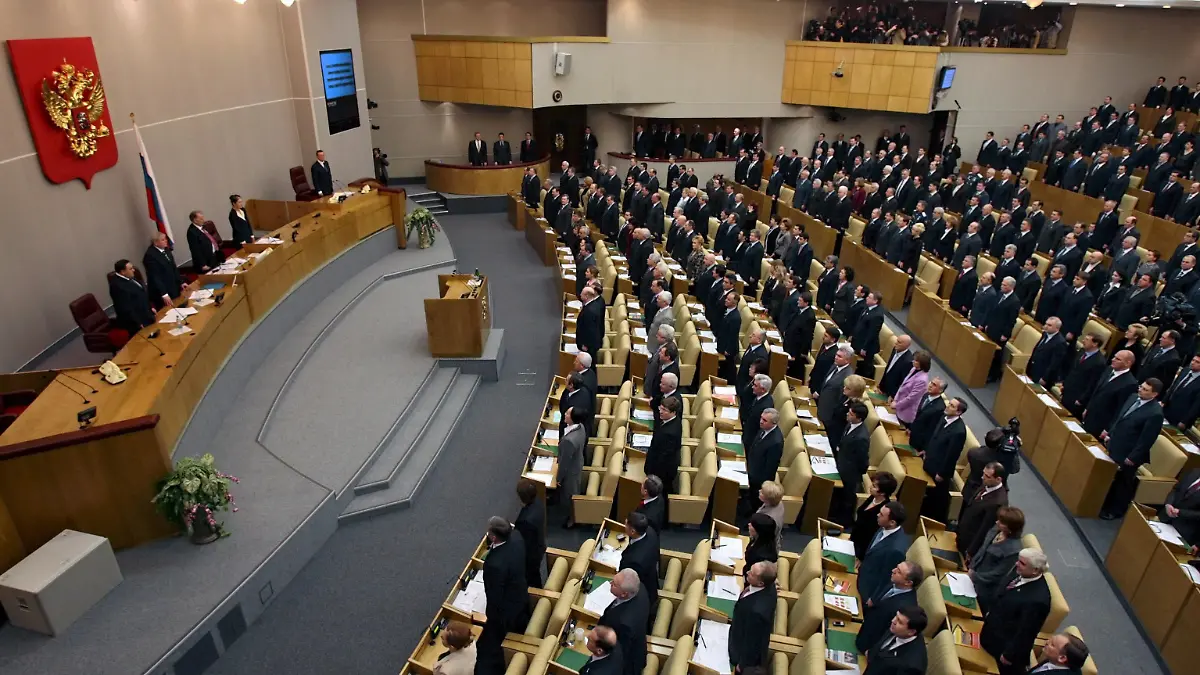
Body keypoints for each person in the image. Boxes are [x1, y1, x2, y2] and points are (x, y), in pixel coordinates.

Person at [1099, 378, 1165, 520]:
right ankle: (1103, 502)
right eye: (1141, 387)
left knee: (1123, 483)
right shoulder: (1133, 397)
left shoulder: (1155, 413)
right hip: (1116, 444)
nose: (1141, 390)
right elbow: (1120, 417)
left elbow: (1147, 439)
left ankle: (1116, 510)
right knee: (1111, 477)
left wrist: (1133, 457)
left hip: (1130, 453)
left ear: (1154, 395)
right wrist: (1109, 432)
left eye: (1146, 390)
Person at [980, 548, 1052, 675]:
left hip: (1002, 651)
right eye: (1019, 561)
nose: (1017, 564)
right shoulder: (1021, 571)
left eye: (1022, 563)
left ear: (1035, 570)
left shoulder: (1038, 600)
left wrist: (1009, 655)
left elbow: (1026, 633)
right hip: (990, 631)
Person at [475, 517, 529, 675]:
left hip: (506, 610)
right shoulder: (517, 537)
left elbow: (495, 596)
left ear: (493, 537)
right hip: (520, 591)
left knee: (498, 635)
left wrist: (490, 615)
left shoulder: (494, 565)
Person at [856, 561, 925, 654]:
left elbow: (888, 633)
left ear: (908, 582)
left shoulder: (904, 608)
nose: (893, 570)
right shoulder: (894, 581)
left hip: (868, 644)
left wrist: (872, 652)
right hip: (865, 625)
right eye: (896, 567)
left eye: (899, 571)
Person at [967, 506, 1025, 611]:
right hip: (973, 572)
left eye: (1002, 522)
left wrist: (975, 577)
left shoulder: (1013, 550)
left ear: (1011, 528)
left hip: (985, 589)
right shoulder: (996, 529)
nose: (997, 522)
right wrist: (972, 567)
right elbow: (982, 549)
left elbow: (998, 574)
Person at [920, 397, 969, 521]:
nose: (948, 406)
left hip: (939, 471)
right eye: (949, 404)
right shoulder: (944, 417)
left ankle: (930, 520)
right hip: (929, 461)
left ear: (958, 412)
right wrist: (926, 450)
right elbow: (934, 436)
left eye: (952, 406)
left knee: (935, 500)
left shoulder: (959, 431)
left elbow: (952, 455)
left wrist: (942, 473)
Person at [729, 561, 778, 671]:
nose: (747, 573)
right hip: (740, 625)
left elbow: (753, 643)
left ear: (761, 583)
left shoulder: (757, 612)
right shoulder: (769, 586)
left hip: (738, 646)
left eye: (751, 574)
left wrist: (741, 665)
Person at [598, 570, 649, 675]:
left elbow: (619, 652)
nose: (610, 583)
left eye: (614, 584)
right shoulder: (640, 588)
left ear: (624, 593)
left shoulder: (624, 623)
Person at [859, 503, 910, 602]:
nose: (877, 515)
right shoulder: (885, 527)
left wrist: (873, 599)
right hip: (863, 573)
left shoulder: (896, 550)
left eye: (881, 514)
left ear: (892, 522)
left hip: (867, 590)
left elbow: (888, 578)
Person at [956, 462, 1008, 557]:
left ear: (998, 479)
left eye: (987, 476)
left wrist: (971, 551)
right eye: (983, 473)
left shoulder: (997, 503)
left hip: (969, 543)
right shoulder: (987, 484)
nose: (982, 477)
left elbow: (984, 530)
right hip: (962, 532)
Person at [833, 400, 871, 524]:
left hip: (850, 472)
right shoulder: (850, 424)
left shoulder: (862, 437)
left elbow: (863, 459)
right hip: (841, 462)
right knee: (839, 496)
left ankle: (843, 522)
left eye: (851, 414)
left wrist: (855, 473)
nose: (848, 414)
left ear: (859, 418)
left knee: (847, 498)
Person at [863, 605, 928, 675]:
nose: (893, 621)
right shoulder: (898, 629)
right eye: (896, 616)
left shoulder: (911, 666)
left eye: (900, 622)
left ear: (911, 632)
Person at [744, 408, 784, 516]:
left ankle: (753, 517)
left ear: (773, 423)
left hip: (759, 478)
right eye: (761, 418)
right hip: (752, 468)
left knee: (756, 502)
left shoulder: (776, 442)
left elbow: (770, 467)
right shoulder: (764, 429)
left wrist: (762, 485)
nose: (761, 421)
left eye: (765, 420)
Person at [619, 512, 660, 611]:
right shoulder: (649, 531)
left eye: (626, 525)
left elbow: (628, 582)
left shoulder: (635, 561)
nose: (624, 526)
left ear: (633, 531)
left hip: (642, 594)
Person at [852, 472, 898, 560]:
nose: (870, 487)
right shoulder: (872, 498)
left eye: (874, 486)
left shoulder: (883, 510)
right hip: (855, 538)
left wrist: (861, 558)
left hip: (862, 549)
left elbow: (871, 536)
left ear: (882, 493)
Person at [513, 478, 546, 589]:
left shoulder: (525, 521)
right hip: (539, 545)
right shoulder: (538, 503)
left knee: (531, 577)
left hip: (530, 555)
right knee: (535, 574)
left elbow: (521, 541)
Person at [646, 397, 682, 492]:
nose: (661, 412)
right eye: (660, 408)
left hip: (662, 473)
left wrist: (651, 473)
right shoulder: (673, 420)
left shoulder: (670, 433)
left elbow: (663, 458)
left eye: (664, 410)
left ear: (673, 412)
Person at [109, 259, 156, 333]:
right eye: (130, 269)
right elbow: (125, 308)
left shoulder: (129, 277)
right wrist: (137, 323)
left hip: (147, 315)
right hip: (137, 323)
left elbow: (141, 294)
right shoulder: (117, 286)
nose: (133, 270)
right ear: (123, 272)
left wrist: (150, 307)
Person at [557, 408, 585, 528]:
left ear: (572, 418)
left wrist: (558, 478)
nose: (565, 414)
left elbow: (564, 463)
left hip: (570, 472)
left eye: (568, 413)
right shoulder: (581, 427)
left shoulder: (569, 441)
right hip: (577, 463)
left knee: (570, 496)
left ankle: (572, 520)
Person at [142, 232, 184, 308]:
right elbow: (155, 277)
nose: (166, 241)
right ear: (155, 242)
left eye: (165, 239)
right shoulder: (150, 256)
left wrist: (181, 282)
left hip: (173, 286)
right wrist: (164, 294)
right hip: (162, 291)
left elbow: (173, 268)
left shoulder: (166, 249)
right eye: (163, 240)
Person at [1159, 469, 1200, 545]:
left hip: (1183, 529)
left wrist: (1180, 512)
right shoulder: (1195, 472)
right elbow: (1176, 489)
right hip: (1165, 517)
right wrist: (1168, 504)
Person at [892, 351, 931, 426]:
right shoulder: (913, 369)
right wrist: (895, 400)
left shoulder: (922, 380)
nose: (913, 361)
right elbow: (903, 385)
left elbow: (911, 398)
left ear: (922, 364)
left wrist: (897, 405)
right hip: (898, 405)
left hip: (906, 413)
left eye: (916, 360)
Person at [755, 480, 786, 548]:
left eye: (762, 492)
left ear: (768, 499)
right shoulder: (778, 502)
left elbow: (759, 535)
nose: (759, 491)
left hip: (765, 548)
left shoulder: (767, 519)